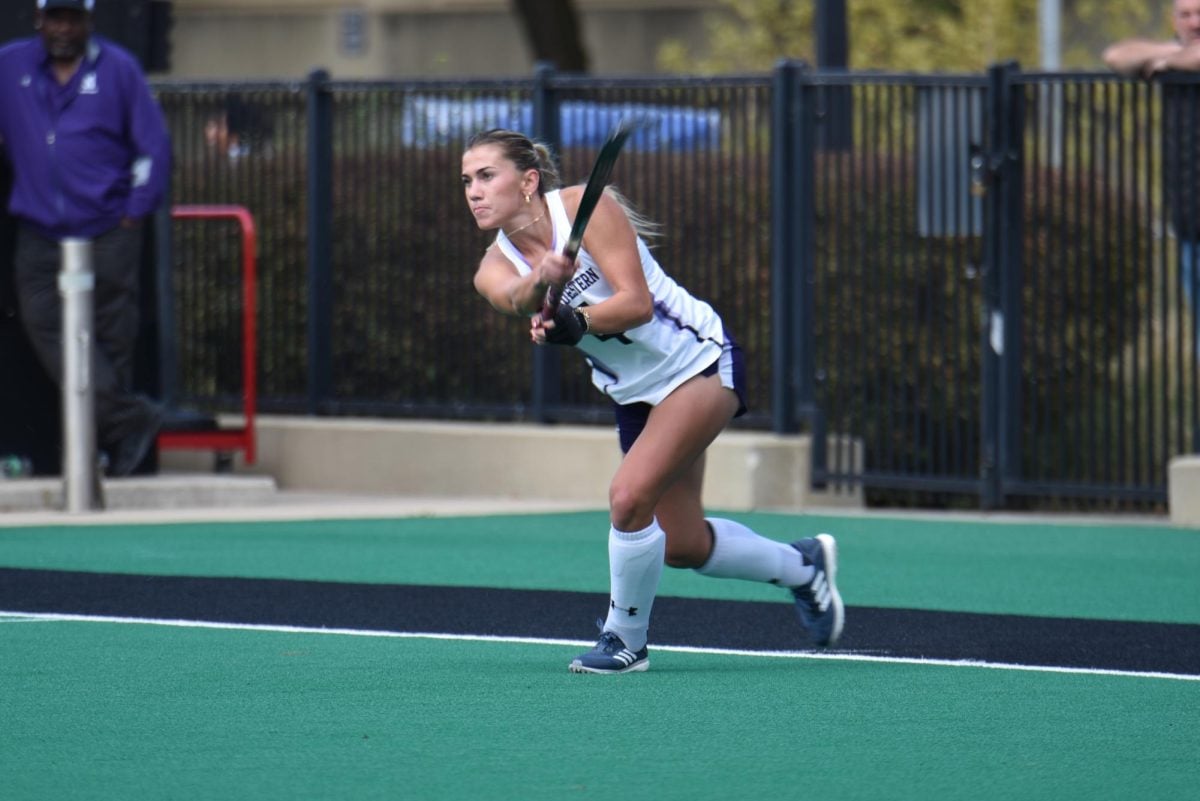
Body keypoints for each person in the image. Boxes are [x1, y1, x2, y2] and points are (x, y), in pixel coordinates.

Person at [461, 129, 844, 674]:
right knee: (683, 543)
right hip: (635, 394)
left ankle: (625, 640)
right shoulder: (492, 266)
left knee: (627, 497)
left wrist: (577, 321)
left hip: (697, 363)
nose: (474, 191)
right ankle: (804, 569)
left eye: (485, 176)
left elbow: (636, 305)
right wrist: (539, 287)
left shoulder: (587, 209)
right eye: (467, 181)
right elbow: (511, 297)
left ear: (527, 182)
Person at [0, 0, 171, 476]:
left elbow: (153, 145)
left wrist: (135, 211)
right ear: (38, 20)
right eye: (55, 17)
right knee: (43, 322)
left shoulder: (118, 70)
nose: (63, 27)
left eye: (72, 17)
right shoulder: (10, 66)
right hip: (39, 231)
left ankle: (106, 452)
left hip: (107, 228)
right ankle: (131, 419)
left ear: (88, 22)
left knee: (112, 338)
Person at [1104, 0, 1200, 353]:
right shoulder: (1174, 53)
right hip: (1190, 228)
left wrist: (1166, 63)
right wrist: (1171, 54)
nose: (1193, 22)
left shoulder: (1172, 62)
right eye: (1185, 15)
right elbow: (1116, 55)